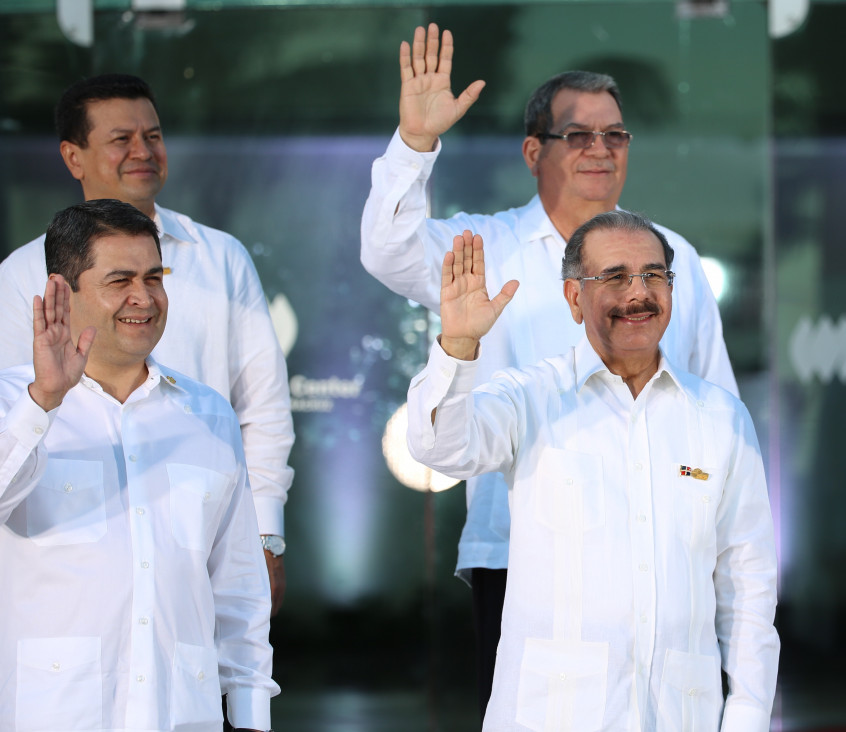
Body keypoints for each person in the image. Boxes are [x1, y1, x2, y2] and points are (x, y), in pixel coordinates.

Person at [359, 24, 737, 712]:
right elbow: (387, 250)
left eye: (615, 135)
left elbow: (716, 406)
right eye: (578, 135)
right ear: (535, 151)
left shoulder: (671, 257)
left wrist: (722, 545)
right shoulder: (485, 247)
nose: (600, 149)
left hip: (658, 548)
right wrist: (414, 144)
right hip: (520, 549)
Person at [406, 211, 777, 730]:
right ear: (574, 298)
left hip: (681, 714)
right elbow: (439, 447)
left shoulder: (720, 417)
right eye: (615, 277)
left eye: (653, 275)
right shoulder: (531, 398)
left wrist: (747, 716)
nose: (638, 293)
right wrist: (459, 348)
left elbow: (749, 587)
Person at [0, 74, 294, 613]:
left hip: (204, 534)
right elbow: (13, 414)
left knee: (220, 659)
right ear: (73, 156)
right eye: (122, 139)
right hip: (71, 550)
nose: (143, 151)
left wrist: (263, 533)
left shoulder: (221, 257)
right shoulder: (23, 273)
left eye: (153, 136)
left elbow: (264, 407)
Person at [0, 199, 278, 731]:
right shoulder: (15, 402)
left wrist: (250, 719)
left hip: (183, 717)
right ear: (63, 291)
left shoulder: (209, 416)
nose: (144, 298)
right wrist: (43, 402)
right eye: (120, 280)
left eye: (154, 278)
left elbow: (239, 592)